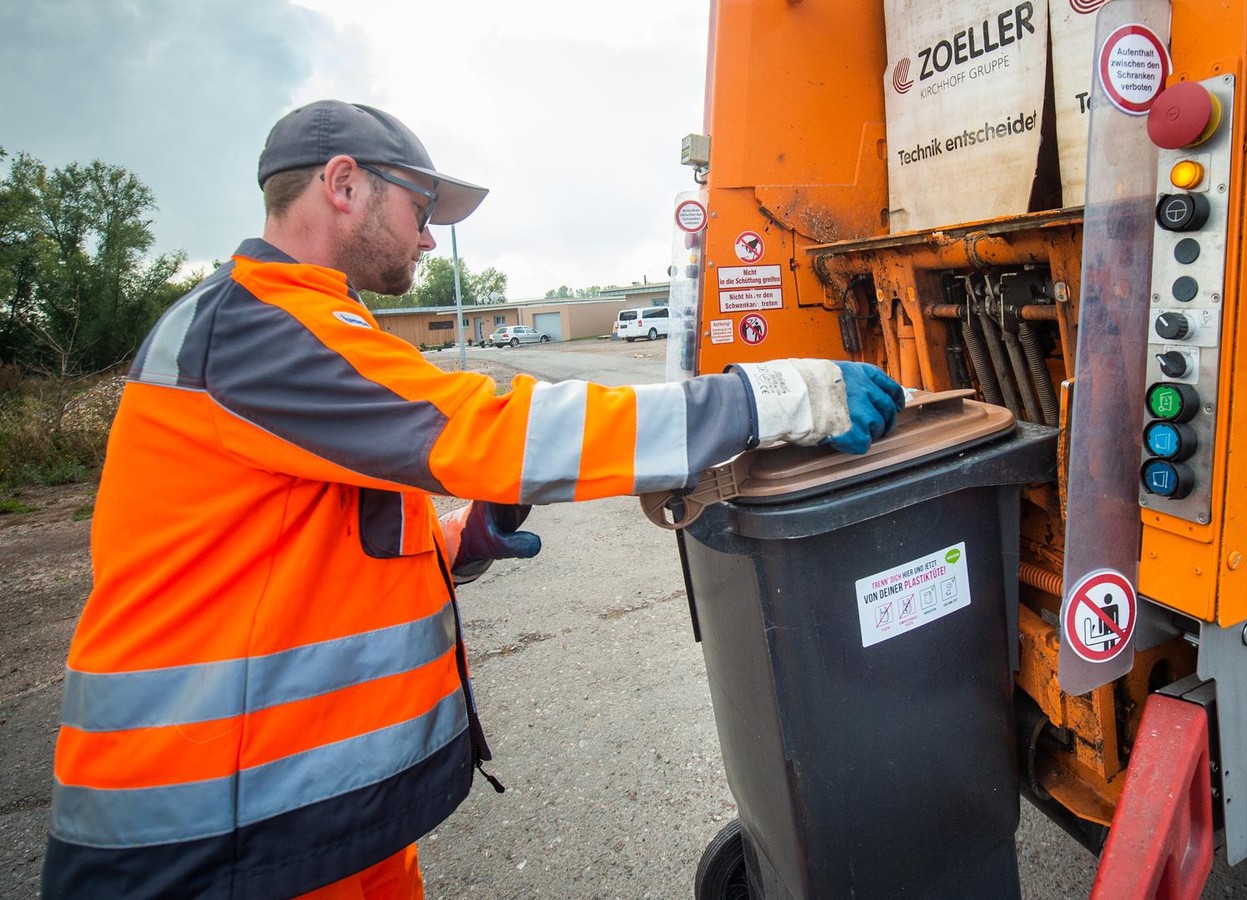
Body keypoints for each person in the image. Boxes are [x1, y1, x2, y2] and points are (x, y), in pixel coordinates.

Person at [42, 100, 904, 898]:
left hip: (276, 799)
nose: (426, 240)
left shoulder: (286, 325)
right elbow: (496, 429)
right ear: (343, 185)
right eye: (421, 210)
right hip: (209, 820)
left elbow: (295, 532)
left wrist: (461, 537)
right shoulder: (260, 329)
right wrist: (773, 397)